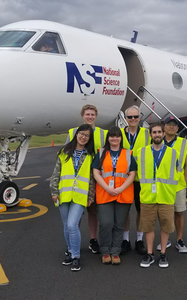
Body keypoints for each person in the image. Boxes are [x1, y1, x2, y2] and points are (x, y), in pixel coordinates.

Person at [50, 124, 95, 272]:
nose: (83, 137)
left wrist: (90, 195)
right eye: (81, 134)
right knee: (66, 225)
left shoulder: (90, 155)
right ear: (76, 134)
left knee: (72, 225)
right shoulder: (64, 152)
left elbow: (92, 178)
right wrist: (54, 192)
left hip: (80, 196)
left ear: (89, 139)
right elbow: (56, 173)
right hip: (64, 194)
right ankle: (70, 250)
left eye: (87, 136)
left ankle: (75, 256)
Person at [66, 104, 107, 254]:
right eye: (87, 114)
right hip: (76, 179)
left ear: (96, 116)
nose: (90, 117)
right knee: (76, 213)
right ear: (82, 115)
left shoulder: (103, 134)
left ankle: (93, 239)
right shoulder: (72, 132)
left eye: (92, 114)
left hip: (94, 178)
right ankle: (73, 240)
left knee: (93, 211)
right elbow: (65, 155)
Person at [92, 126, 136, 265]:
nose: (114, 138)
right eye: (112, 136)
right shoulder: (101, 153)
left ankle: (115, 252)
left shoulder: (128, 153)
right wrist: (107, 188)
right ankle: (105, 251)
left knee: (119, 224)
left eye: (117, 136)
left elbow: (132, 174)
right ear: (108, 138)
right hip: (105, 193)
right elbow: (96, 172)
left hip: (123, 194)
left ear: (121, 138)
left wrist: (121, 188)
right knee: (106, 223)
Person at [137, 123, 179, 268]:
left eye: (159, 132)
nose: (157, 134)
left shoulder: (173, 153)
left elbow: (177, 173)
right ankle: (149, 254)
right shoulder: (140, 152)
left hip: (166, 196)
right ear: (150, 135)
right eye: (154, 132)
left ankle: (162, 253)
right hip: (148, 196)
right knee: (148, 226)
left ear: (163, 134)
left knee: (166, 226)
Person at [156, 116, 187, 253]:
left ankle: (179, 240)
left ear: (177, 128)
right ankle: (166, 239)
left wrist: (185, 182)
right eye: (169, 124)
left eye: (174, 125)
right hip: (162, 185)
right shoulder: (157, 141)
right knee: (164, 215)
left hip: (178, 185)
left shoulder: (184, 143)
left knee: (178, 213)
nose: (171, 127)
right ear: (164, 127)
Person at [120, 105, 150, 255]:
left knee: (141, 211)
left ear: (140, 118)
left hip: (141, 179)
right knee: (125, 210)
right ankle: (125, 240)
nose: (133, 119)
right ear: (125, 119)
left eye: (136, 117)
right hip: (124, 179)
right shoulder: (118, 134)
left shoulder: (147, 134)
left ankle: (139, 239)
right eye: (130, 117)